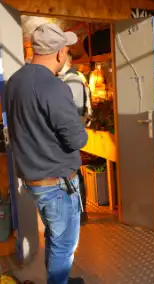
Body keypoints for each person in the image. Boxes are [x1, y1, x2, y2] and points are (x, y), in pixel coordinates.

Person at [5, 23, 88, 284]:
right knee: (64, 245)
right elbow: (77, 139)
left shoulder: (13, 82)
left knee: (54, 236)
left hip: (34, 180)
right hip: (58, 184)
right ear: (60, 53)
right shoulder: (54, 87)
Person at [58, 52, 93, 225]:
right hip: (71, 134)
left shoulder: (72, 80)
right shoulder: (66, 79)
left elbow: (75, 112)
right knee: (73, 172)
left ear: (67, 60)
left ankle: (81, 213)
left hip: (71, 135)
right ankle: (80, 213)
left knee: (74, 173)